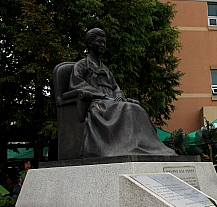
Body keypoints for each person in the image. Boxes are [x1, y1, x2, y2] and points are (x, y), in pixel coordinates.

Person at [70, 28, 176, 158]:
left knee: (137, 108)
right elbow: (77, 84)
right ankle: (128, 146)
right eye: (99, 42)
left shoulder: (106, 69)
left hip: (112, 101)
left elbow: (115, 87)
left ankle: (147, 146)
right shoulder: (81, 65)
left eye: (104, 42)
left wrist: (119, 95)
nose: (103, 45)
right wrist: (103, 96)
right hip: (98, 102)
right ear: (90, 43)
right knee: (128, 109)